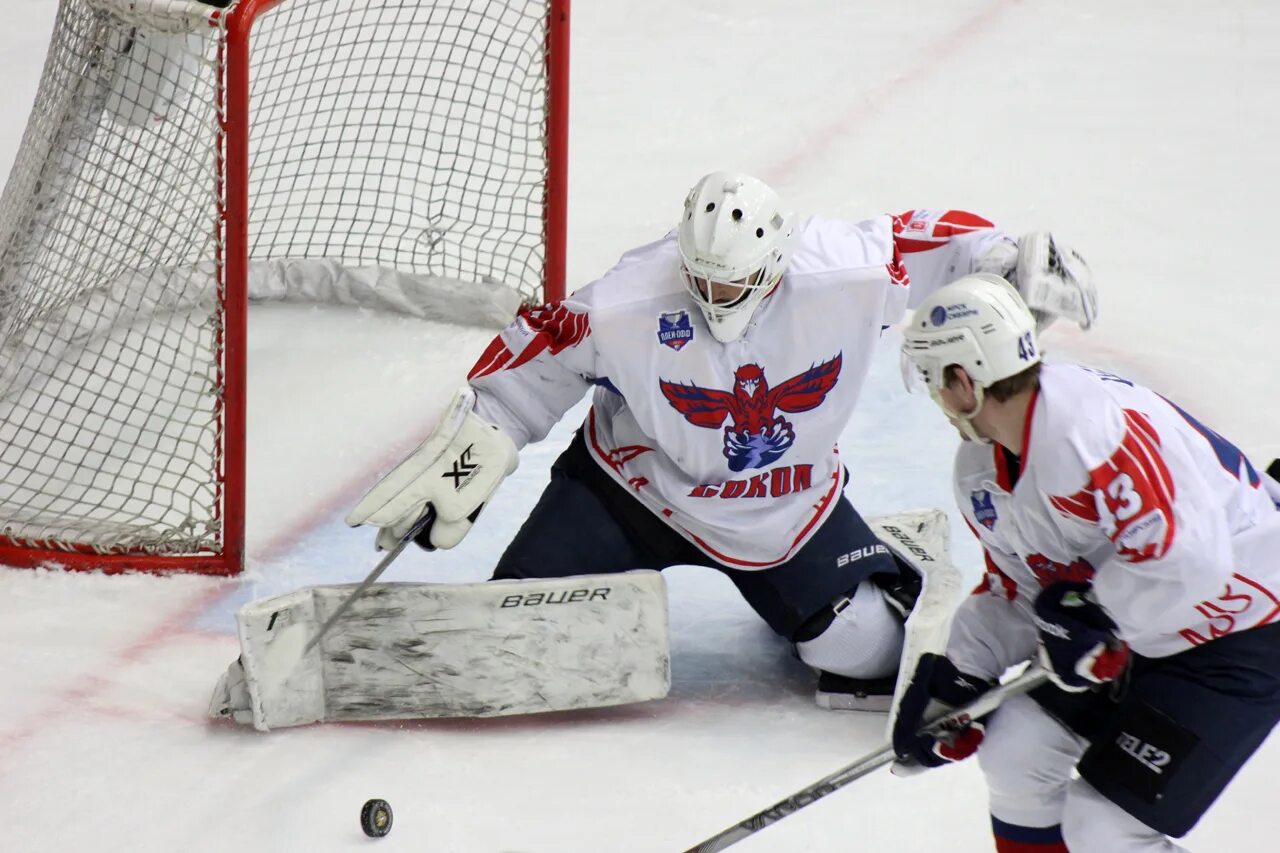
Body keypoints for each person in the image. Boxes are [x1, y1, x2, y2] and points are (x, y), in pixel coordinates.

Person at [346, 171, 1095, 709]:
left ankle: (850, 579)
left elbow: (930, 237)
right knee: (519, 630)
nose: (714, 297)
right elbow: (542, 350)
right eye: (700, 279)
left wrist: (1012, 262)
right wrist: (483, 440)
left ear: (773, 262)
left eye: (732, 285)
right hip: (633, 490)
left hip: (781, 510)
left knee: (865, 650)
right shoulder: (630, 299)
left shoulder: (845, 270)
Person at [892, 273, 1280, 850]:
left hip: (1241, 629)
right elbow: (1019, 589)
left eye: (932, 380)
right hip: (1137, 633)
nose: (934, 398)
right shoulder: (981, 471)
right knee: (1015, 753)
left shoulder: (1095, 429)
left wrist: (1095, 613)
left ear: (962, 380)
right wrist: (959, 677)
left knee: (1102, 826)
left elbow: (1195, 561)